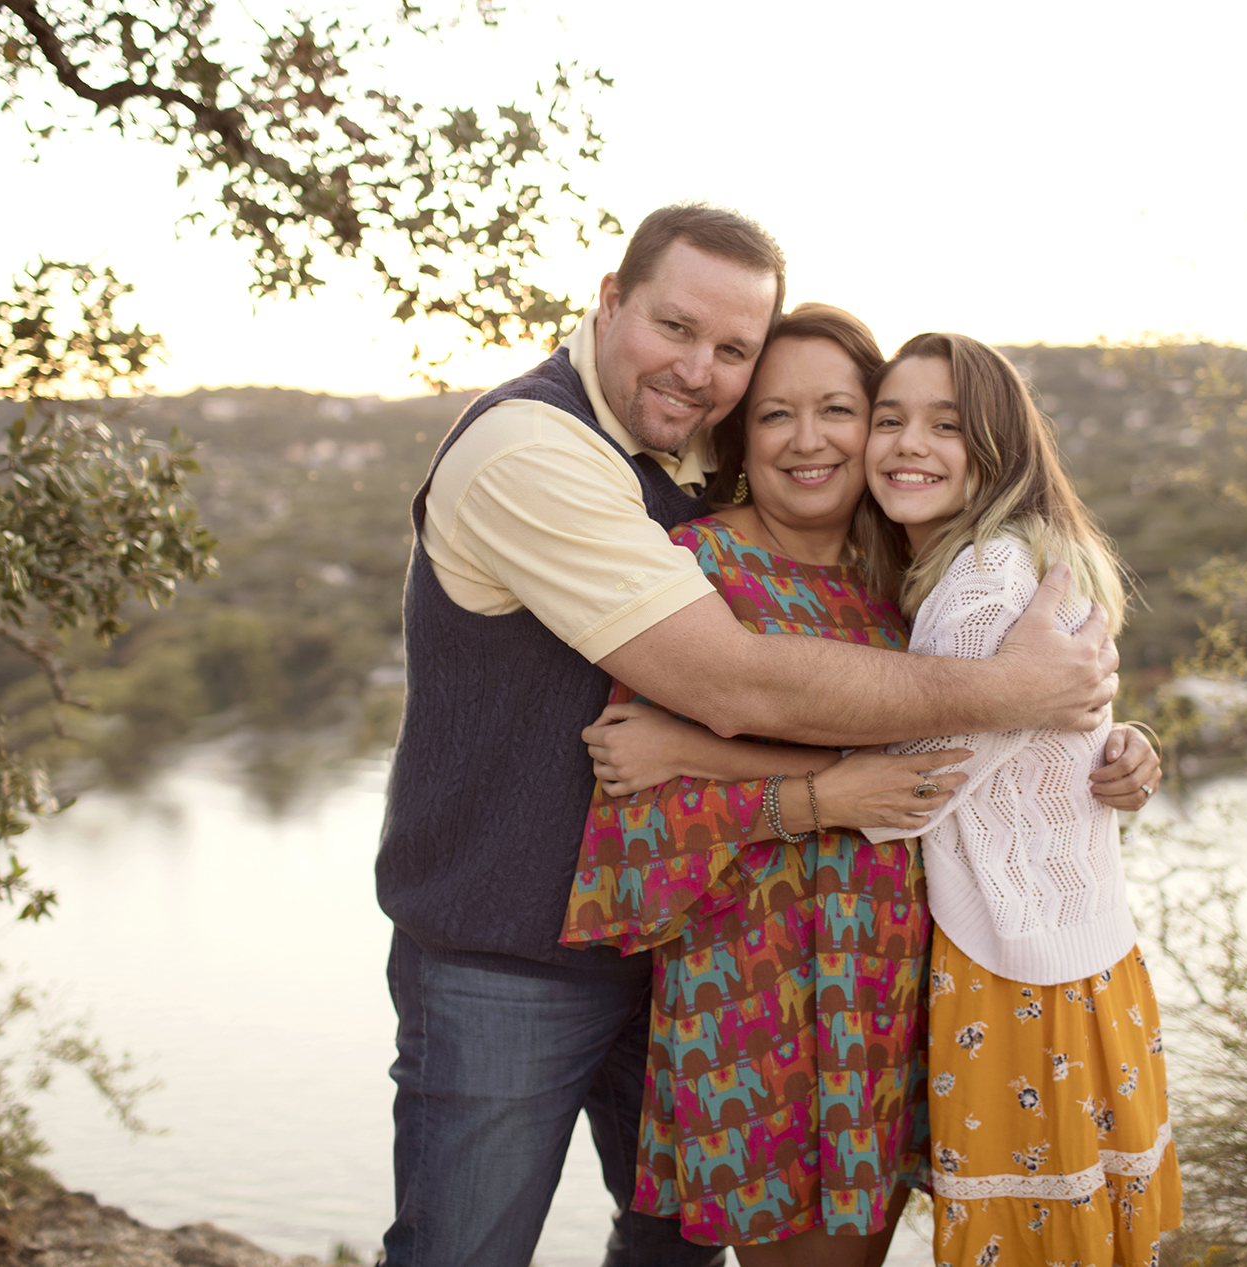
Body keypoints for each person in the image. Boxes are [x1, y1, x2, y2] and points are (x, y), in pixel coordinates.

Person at [376, 204, 1126, 1267]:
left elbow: (948, 720)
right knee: (465, 1248)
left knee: (671, 1254)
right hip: (516, 957)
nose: (700, 369)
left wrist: (1100, 738)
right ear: (609, 300)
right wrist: (1000, 696)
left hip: (702, 964)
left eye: (731, 349)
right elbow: (733, 682)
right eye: (676, 328)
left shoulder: (826, 534)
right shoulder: (533, 450)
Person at [559, 308, 1161, 1266]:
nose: (808, 440)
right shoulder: (694, 571)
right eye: (774, 415)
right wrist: (819, 796)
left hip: (902, 979)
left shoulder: (912, 573)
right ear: (738, 438)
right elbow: (633, 808)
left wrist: (1107, 743)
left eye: (840, 409)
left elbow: (982, 739)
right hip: (754, 990)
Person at [862, 333, 1180, 1264]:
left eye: (945, 425)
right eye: (891, 420)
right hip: (1083, 961)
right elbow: (1047, 749)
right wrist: (1133, 744)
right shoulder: (1021, 560)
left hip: (1016, 976)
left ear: (996, 446)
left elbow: (907, 789)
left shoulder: (983, 583)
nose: (909, 444)